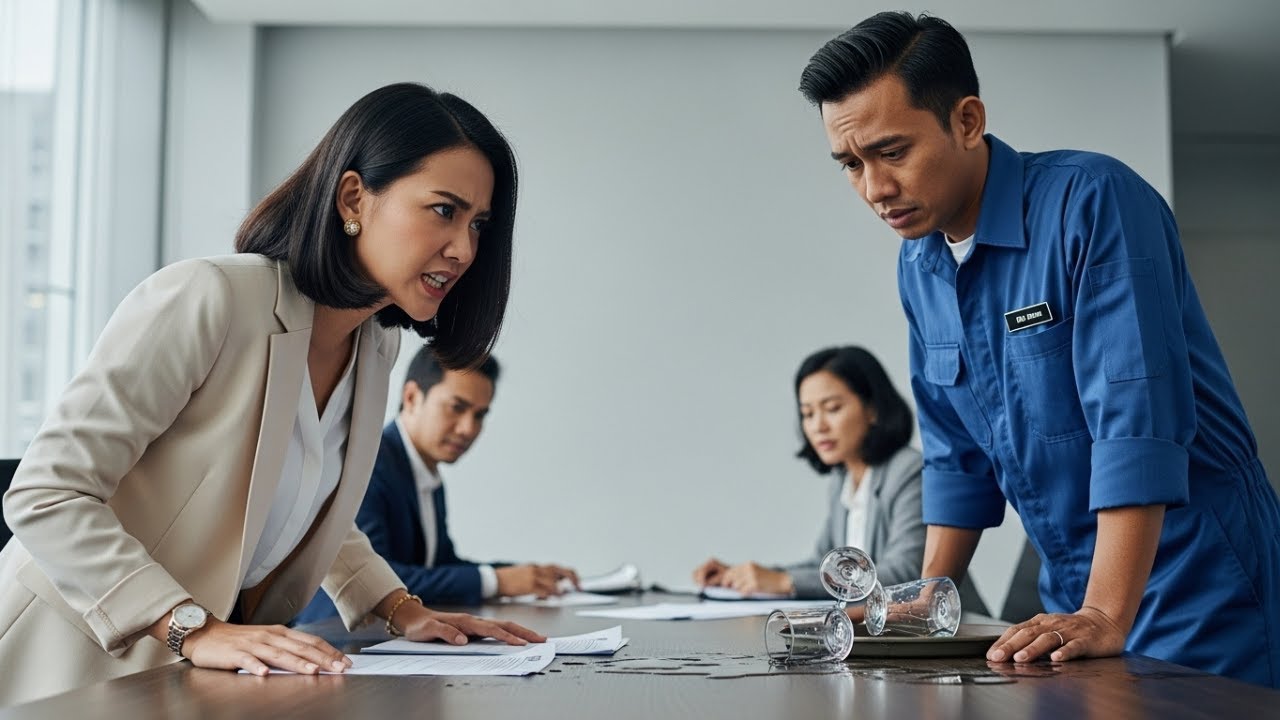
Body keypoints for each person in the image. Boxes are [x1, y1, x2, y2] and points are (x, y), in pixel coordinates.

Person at [0, 82, 545, 706]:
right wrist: (192, 628)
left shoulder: (376, 346)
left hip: (187, 683)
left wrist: (400, 608)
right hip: (64, 668)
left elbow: (305, 504)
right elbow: (47, 492)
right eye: (444, 210)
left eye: (478, 225)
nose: (464, 249)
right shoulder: (209, 297)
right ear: (353, 198)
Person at [798, 12, 1280, 686]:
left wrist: (1106, 611)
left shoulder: (1093, 202)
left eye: (893, 152)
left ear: (967, 121)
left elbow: (1135, 422)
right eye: (851, 164)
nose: (874, 189)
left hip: (1199, 584)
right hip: (1073, 591)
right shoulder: (920, 265)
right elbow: (955, 457)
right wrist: (928, 597)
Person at [295, 347, 578, 623]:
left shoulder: (425, 472)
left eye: (480, 415)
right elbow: (378, 576)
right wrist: (497, 581)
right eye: (457, 407)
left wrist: (527, 576)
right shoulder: (370, 463)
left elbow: (439, 564)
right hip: (336, 633)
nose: (468, 428)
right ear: (411, 397)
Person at [693, 346, 948, 601]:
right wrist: (746, 577)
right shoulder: (842, 480)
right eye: (808, 414)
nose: (818, 426)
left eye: (832, 408)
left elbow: (905, 574)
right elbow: (823, 565)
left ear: (873, 409)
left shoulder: (909, 471)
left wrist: (784, 582)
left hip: (944, 623)